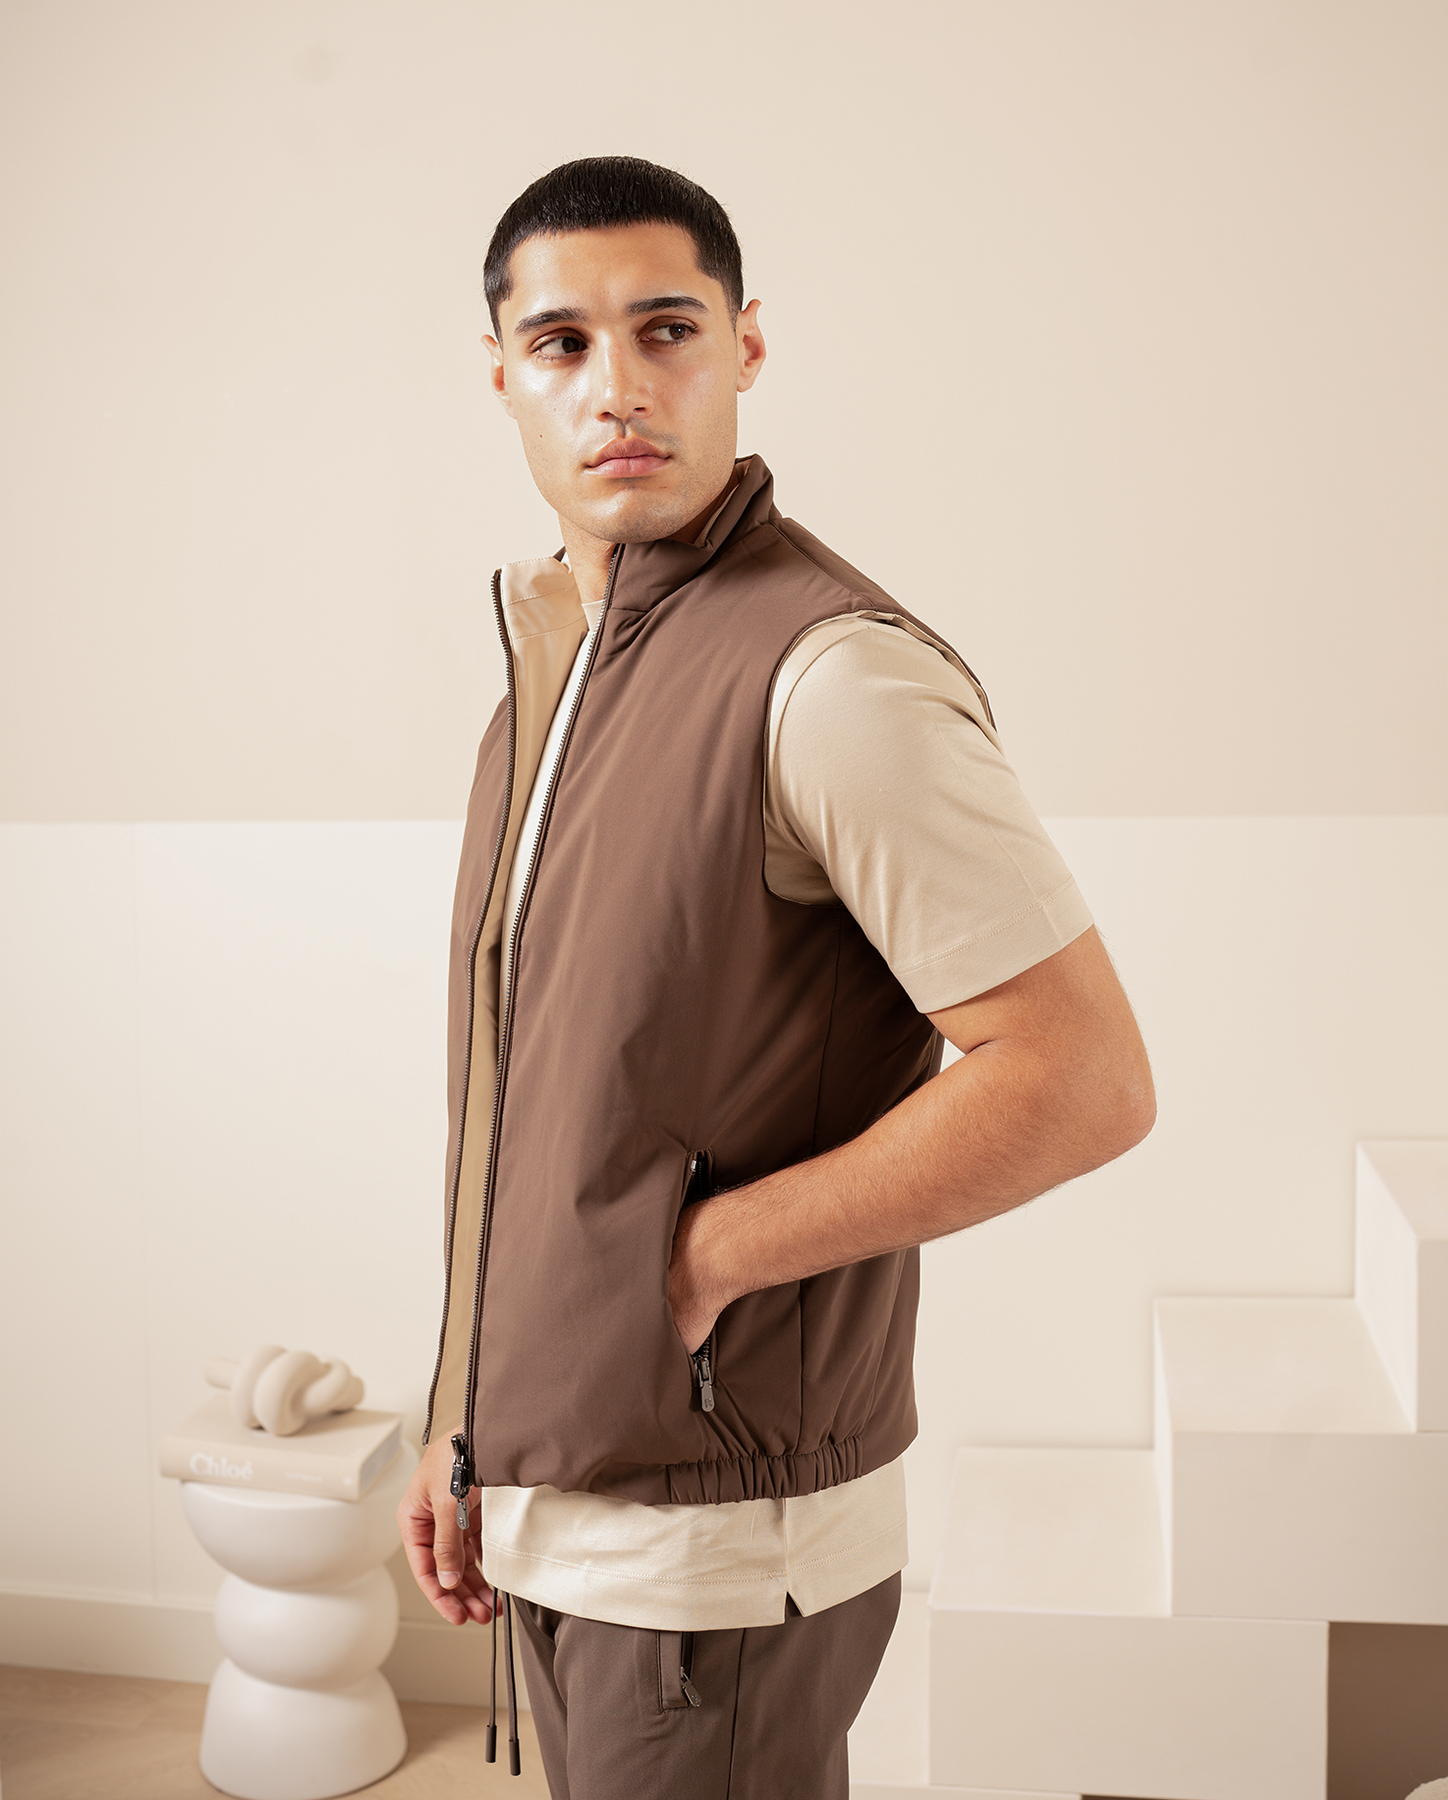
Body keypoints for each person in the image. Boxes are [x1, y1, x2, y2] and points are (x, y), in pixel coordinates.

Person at [398, 155, 1155, 1799]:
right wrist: (461, 1415)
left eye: (666, 329)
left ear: (745, 345)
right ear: (503, 376)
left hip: (719, 1555)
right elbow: (543, 1116)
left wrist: (701, 1263)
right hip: (564, 1504)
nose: (617, 386)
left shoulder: (833, 678)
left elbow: (1080, 1078)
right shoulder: (549, 682)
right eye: (563, 343)